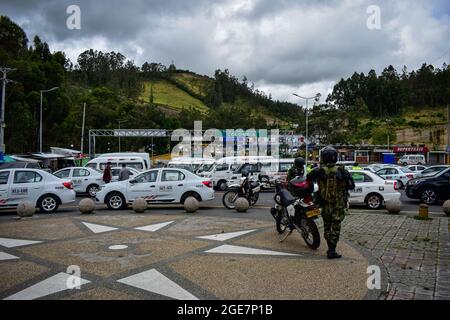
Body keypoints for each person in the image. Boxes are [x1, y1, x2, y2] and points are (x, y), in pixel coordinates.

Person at [307, 146, 355, 259]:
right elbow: (351, 185)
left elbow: (308, 178)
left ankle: (330, 248)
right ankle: (332, 250)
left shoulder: (318, 171)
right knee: (336, 227)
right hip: (338, 205)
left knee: (327, 226)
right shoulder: (342, 170)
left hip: (325, 204)